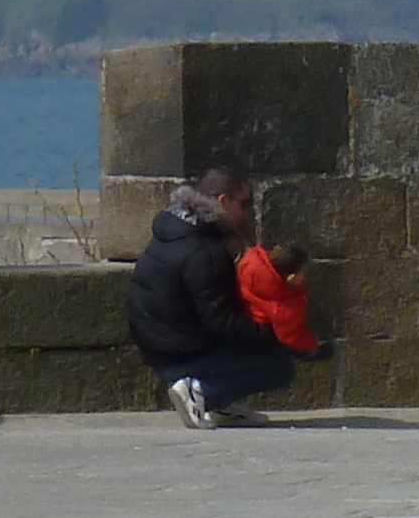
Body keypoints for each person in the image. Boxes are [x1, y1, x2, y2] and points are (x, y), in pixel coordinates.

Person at [127, 168, 298, 427]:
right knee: (282, 365)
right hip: (179, 353)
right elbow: (221, 321)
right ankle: (202, 392)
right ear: (223, 202)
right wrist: (273, 334)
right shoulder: (204, 251)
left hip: (156, 345)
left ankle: (222, 406)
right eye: (244, 204)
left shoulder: (174, 229)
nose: (247, 212)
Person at [236, 235, 327, 359]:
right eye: (302, 273)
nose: (304, 277)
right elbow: (290, 336)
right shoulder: (284, 307)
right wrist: (314, 342)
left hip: (243, 315)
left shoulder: (251, 262)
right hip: (259, 332)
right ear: (291, 276)